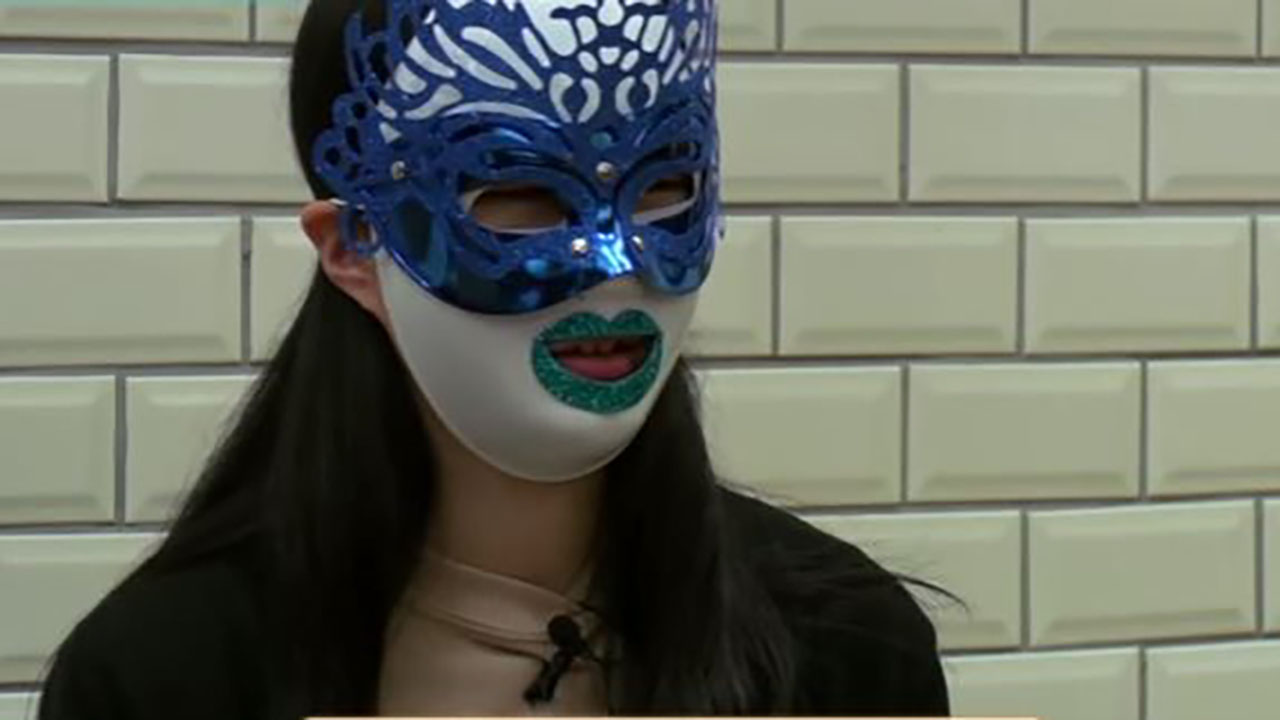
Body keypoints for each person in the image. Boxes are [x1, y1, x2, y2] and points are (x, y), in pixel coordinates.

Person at [38, 1, 952, 717]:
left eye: (664, 188)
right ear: (354, 246)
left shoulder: (847, 646)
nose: (615, 265)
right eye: (519, 194)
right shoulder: (163, 678)